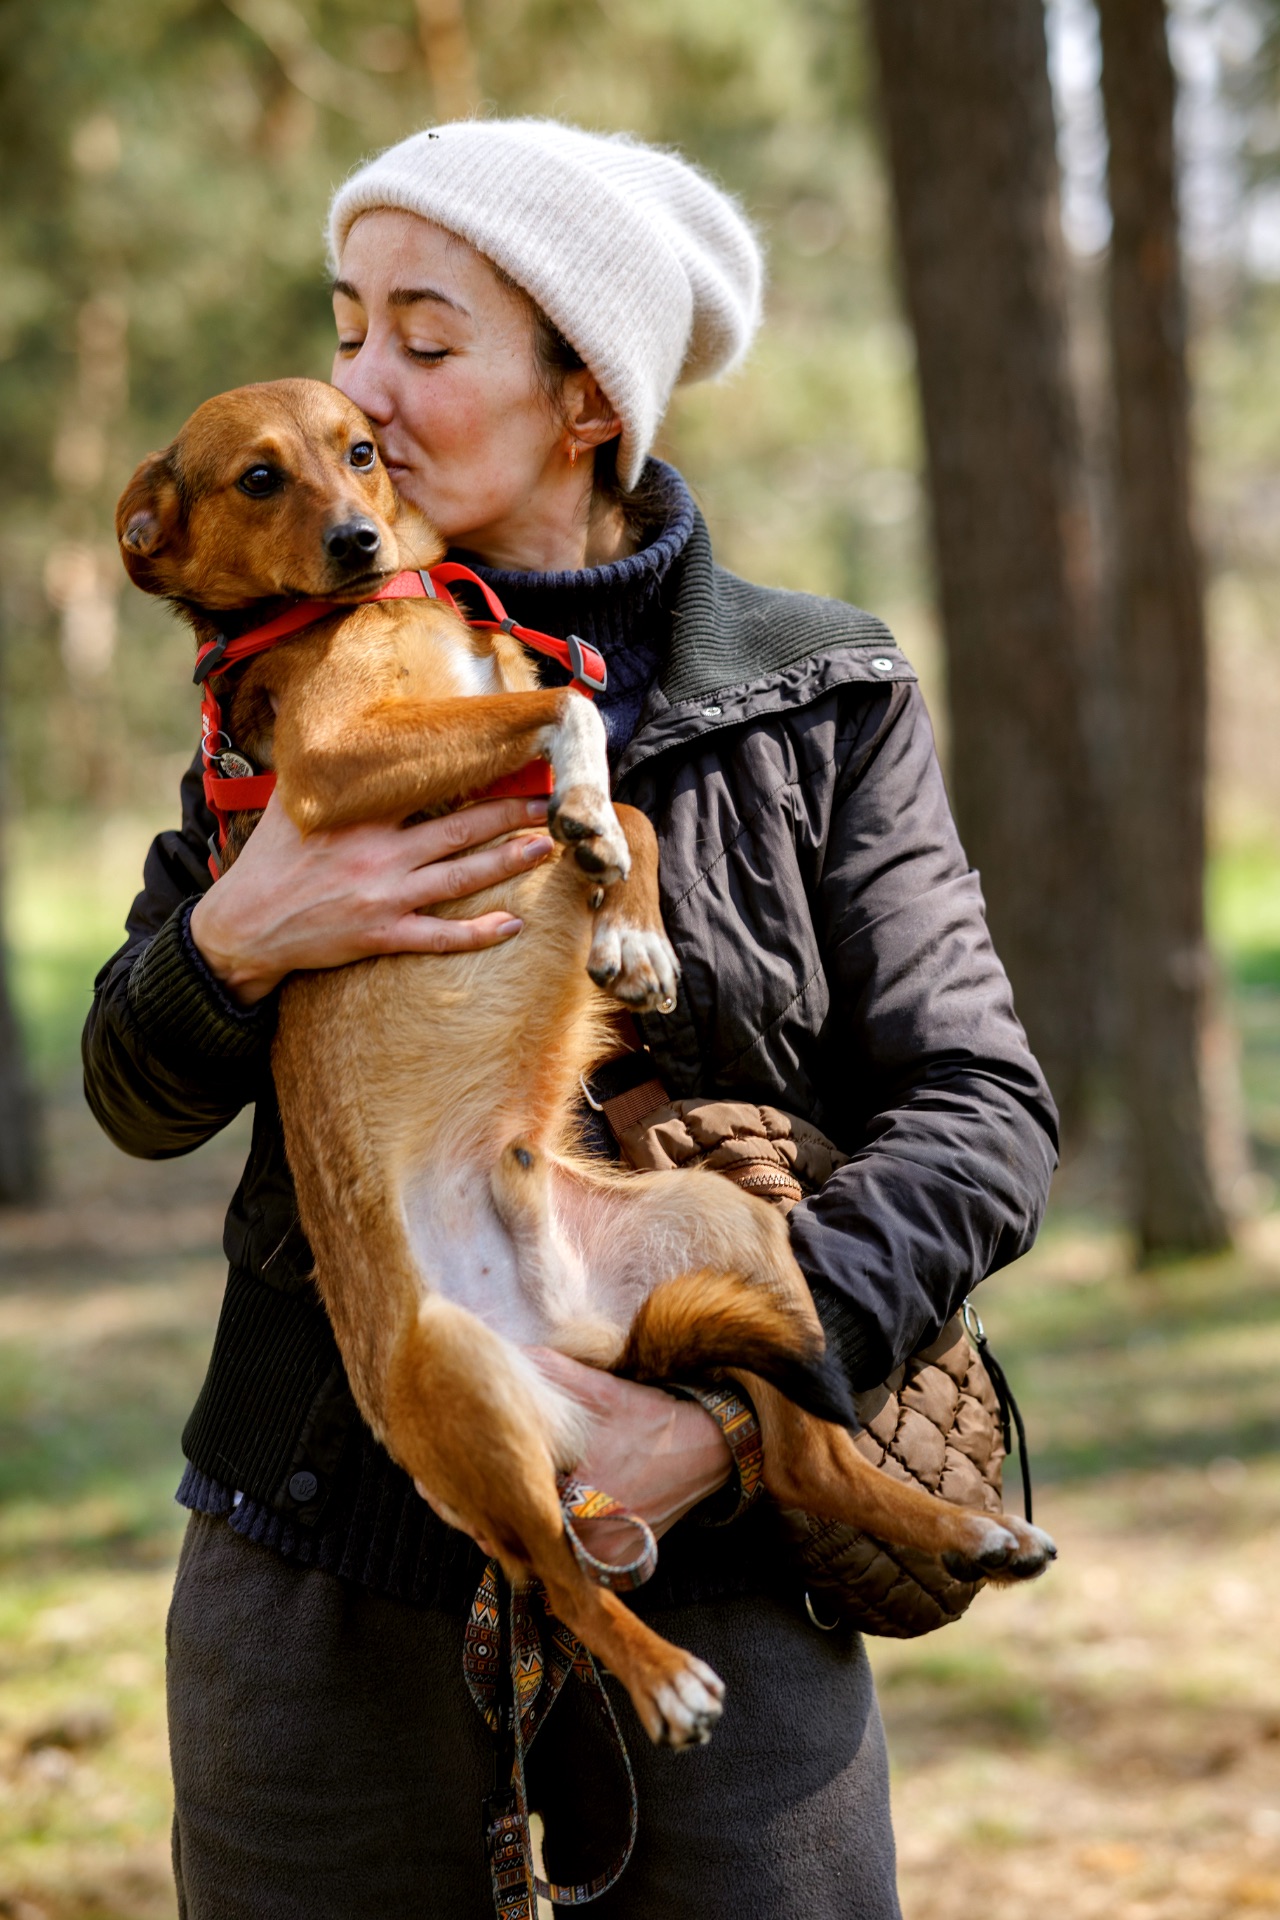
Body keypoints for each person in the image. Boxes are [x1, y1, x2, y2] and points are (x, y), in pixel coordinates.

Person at [84, 119, 1057, 1920]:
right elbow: (133, 1092)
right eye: (346, 318)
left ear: (587, 400)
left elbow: (983, 1111)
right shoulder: (292, 656)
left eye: (425, 342)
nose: (357, 382)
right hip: (324, 1586)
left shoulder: (815, 690)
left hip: (736, 1594)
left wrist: (720, 1416)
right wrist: (234, 937)